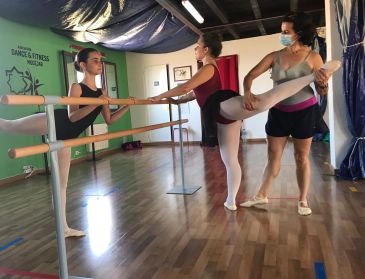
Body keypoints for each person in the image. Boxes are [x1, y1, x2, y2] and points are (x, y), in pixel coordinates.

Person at [149, 33, 340, 211]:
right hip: (221, 116)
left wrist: (160, 95)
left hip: (224, 106)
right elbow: (193, 93)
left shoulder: (208, 67)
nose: (195, 50)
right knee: (230, 159)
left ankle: (312, 76)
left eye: (197, 46)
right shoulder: (206, 68)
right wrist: (174, 100)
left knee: (264, 101)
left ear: (206, 49)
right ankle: (230, 201)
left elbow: (186, 86)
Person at [0, 48, 131, 237]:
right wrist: (98, 102)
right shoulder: (76, 87)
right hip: (53, 121)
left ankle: (64, 229)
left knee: (61, 184)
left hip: (67, 137)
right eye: (95, 60)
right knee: (8, 126)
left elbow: (109, 120)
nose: (99, 63)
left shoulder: (102, 92)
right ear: (83, 65)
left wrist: (127, 106)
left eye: (100, 60)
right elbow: (72, 116)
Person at [240, 12, 331, 215]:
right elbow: (249, 75)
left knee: (301, 157)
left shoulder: (313, 57)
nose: (282, 34)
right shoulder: (275, 56)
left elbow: (322, 91)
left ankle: (302, 200)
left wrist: (323, 85)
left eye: (286, 31)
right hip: (278, 112)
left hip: (305, 112)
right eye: (282, 31)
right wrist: (247, 92)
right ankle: (261, 196)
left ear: (298, 33)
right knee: (273, 157)